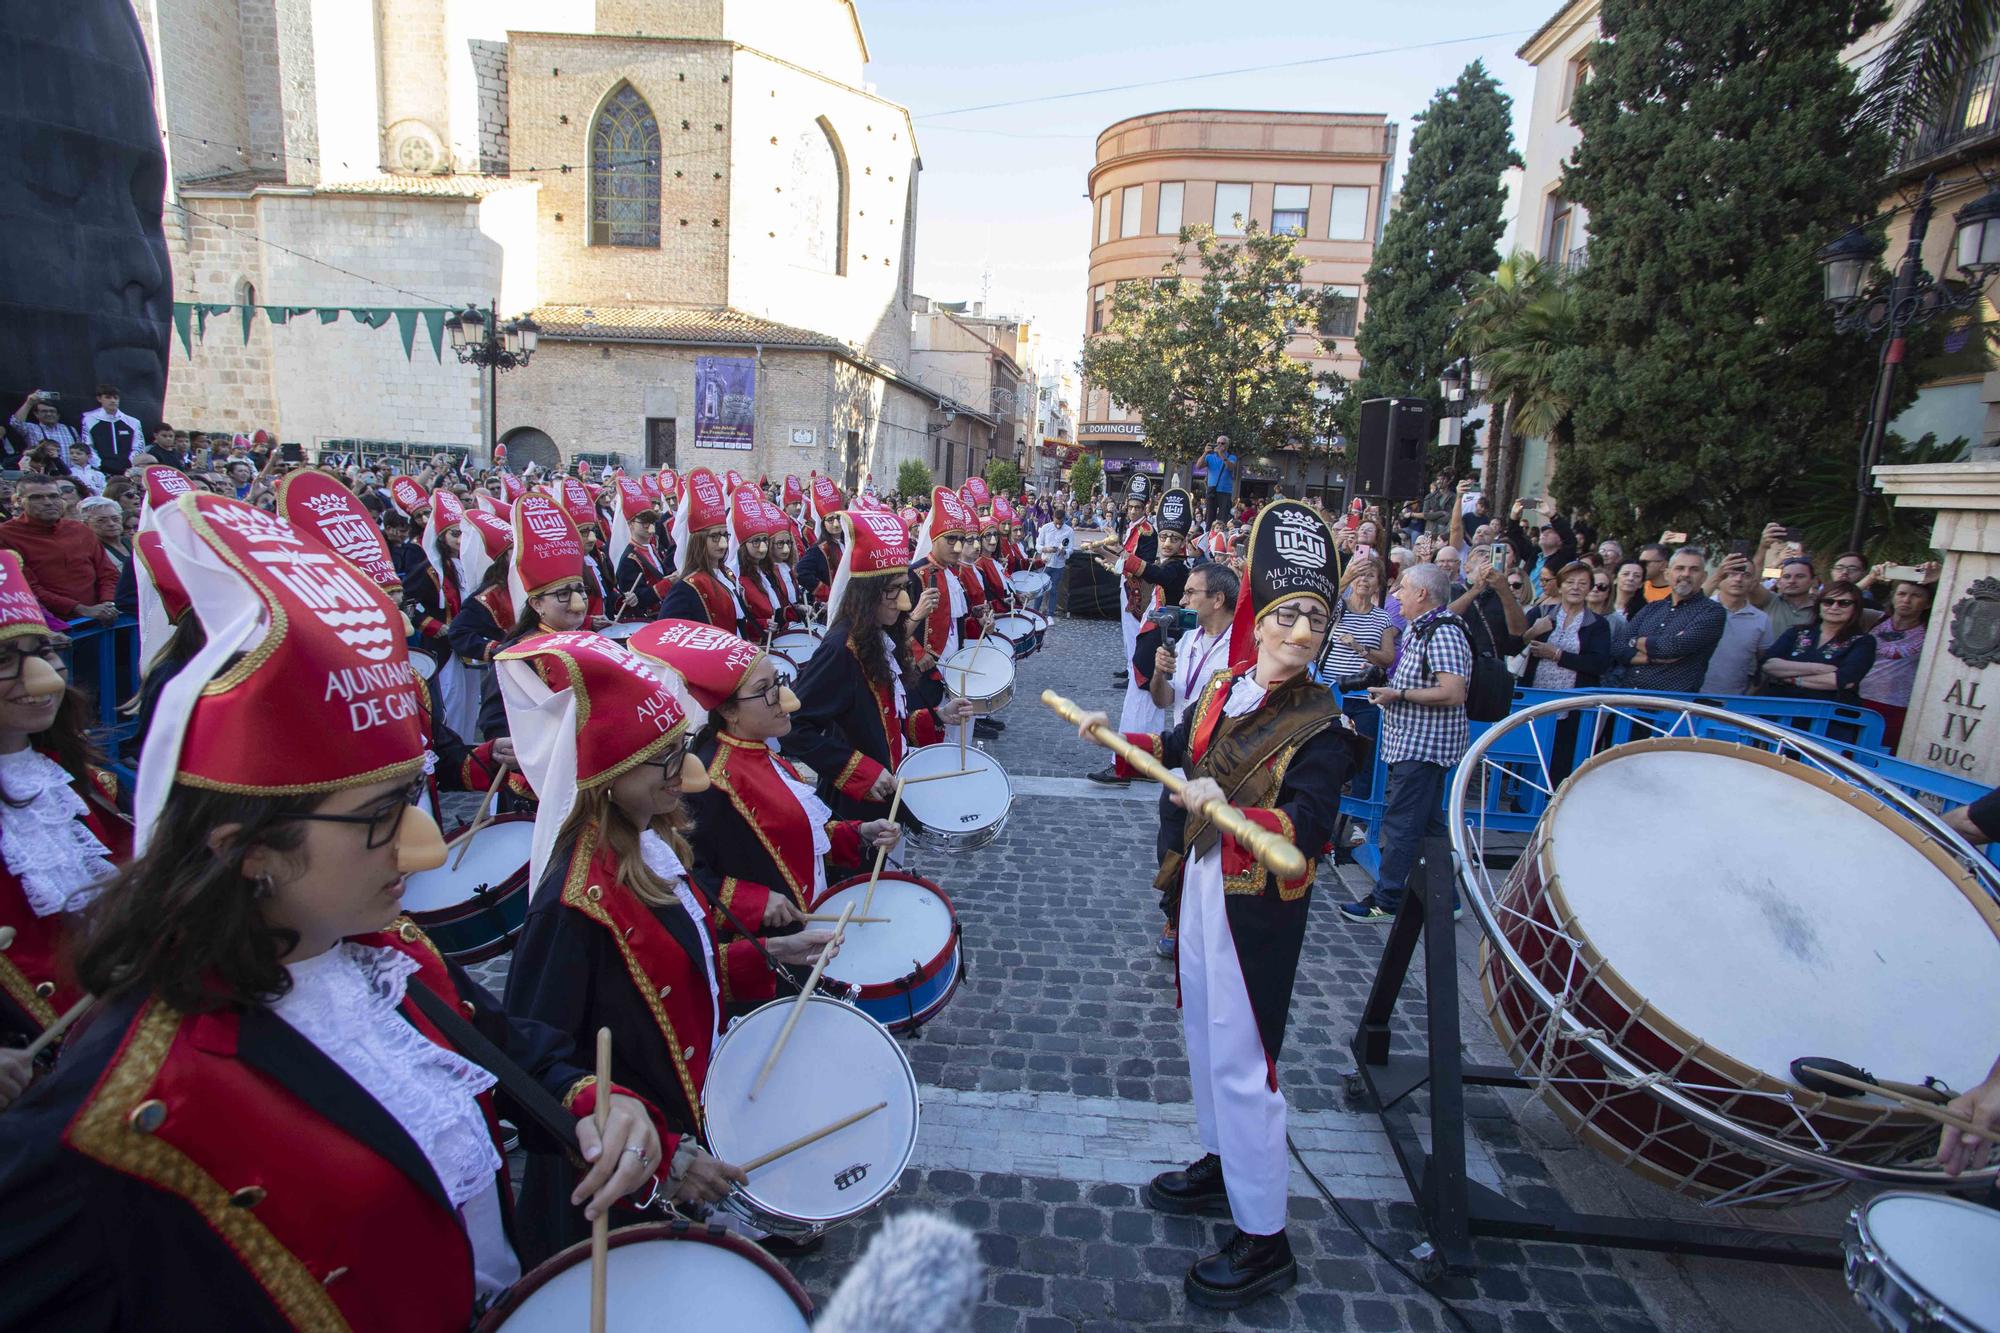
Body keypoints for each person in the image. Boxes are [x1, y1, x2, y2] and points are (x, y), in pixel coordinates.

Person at [0, 492, 663, 1328]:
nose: (424, 848)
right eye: (381, 814)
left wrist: (593, 1097)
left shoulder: (389, 954)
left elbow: (500, 1044)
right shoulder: (113, 1118)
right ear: (250, 849)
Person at [1072, 500, 1351, 1311]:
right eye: (1289, 613)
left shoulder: (1324, 725)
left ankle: (1265, 1235)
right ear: (1260, 617)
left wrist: (1228, 810)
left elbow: (1305, 830)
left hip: (1256, 901)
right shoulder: (1226, 685)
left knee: (1244, 1055)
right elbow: (1183, 749)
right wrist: (1115, 737)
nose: (1300, 632)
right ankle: (1221, 1160)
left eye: (1316, 619)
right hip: (1201, 877)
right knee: (1199, 1027)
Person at [496, 628, 830, 1263]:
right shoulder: (572, 904)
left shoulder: (654, 845)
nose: (689, 771)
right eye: (667, 757)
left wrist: (771, 958)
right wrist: (660, 1152)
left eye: (683, 748)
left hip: (680, 1137)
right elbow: (528, 1071)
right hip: (607, 1203)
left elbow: (669, 983)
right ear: (609, 773)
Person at [635, 620, 900, 917]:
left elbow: (796, 833)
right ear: (728, 710)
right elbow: (686, 871)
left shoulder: (763, 752)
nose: (787, 701)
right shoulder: (709, 778)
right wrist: (755, 902)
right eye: (765, 690)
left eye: (779, 682)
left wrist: (860, 833)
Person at [0, 552, 128, 1111]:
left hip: (113, 1056)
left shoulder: (85, 781)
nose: (43, 676)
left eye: (46, 650)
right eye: (6, 659)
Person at [1341, 563, 1470, 925]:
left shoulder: (1443, 632)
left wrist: (1399, 693)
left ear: (1422, 594)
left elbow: (1452, 691)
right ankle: (1447, 899)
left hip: (1425, 746)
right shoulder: (1419, 629)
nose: (1396, 596)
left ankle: (1388, 897)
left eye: (1403, 589)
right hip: (1412, 742)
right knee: (1428, 824)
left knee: (1402, 823)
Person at [0, 477, 118, 624]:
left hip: (101, 619)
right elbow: (27, 587)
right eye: (37, 497)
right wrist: (80, 609)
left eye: (54, 496)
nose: (48, 502)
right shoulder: (6, 535)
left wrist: (107, 602)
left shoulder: (79, 529)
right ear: (18, 501)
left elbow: (107, 572)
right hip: (48, 626)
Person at [1621, 548, 1727, 692]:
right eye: (1680, 568)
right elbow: (1618, 646)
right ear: (1667, 574)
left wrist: (1634, 642)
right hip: (1626, 700)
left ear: (1704, 576)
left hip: (1670, 706)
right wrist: (1650, 656)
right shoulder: (1652, 607)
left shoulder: (1711, 611)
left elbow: (1675, 647)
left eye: (1694, 569)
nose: (1686, 574)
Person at [1758, 579, 1876, 705]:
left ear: (1855, 608)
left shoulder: (1863, 641)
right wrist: (1818, 669)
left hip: (1828, 716)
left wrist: (1791, 678)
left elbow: (1843, 681)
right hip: (1780, 708)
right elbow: (1768, 664)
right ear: (1819, 605)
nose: (1834, 607)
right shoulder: (1797, 632)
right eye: (1828, 602)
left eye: (1844, 603)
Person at [659, 467, 741, 631]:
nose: (724, 543)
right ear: (698, 541)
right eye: (715, 536)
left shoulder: (727, 575)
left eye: (725, 535)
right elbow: (666, 633)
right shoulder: (686, 588)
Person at [1858, 577, 1934, 747]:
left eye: (1916, 596)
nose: (1906, 600)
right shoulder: (1873, 619)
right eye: (1901, 594)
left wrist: (1938, 576)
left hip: (1898, 707)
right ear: (1893, 597)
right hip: (1858, 700)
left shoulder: (1933, 631)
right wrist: (1871, 577)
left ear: (1928, 604)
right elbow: (1841, 598)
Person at [1696, 550, 1771, 695]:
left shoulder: (1761, 619)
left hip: (1734, 700)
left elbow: (1765, 662)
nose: (1738, 579)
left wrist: (1752, 691)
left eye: (1746, 575)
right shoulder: (1700, 609)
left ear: (1753, 582)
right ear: (1720, 577)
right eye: (1732, 573)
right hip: (1691, 696)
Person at [1035, 504, 1075, 618]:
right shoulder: (1045, 528)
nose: (1058, 525)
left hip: (1059, 564)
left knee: (1053, 589)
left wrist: (1065, 552)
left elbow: (1071, 548)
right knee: (1040, 588)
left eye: (1061, 523)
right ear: (1053, 518)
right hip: (1045, 562)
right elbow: (1038, 544)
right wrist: (1045, 549)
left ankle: (1050, 614)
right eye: (1056, 522)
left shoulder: (1069, 531)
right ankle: (1035, 612)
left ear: (1064, 520)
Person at [78, 498, 129, 575]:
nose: (111, 523)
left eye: (115, 518)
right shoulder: (89, 552)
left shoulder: (133, 542)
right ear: (85, 524)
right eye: (101, 520)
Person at [1198, 435, 1238, 524]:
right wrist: (1205, 453)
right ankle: (1209, 534)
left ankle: (1221, 535)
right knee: (1209, 517)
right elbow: (1198, 466)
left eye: (1222, 443)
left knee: (1223, 517)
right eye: (1218, 443)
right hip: (1212, 490)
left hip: (1225, 491)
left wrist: (1221, 454)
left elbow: (1230, 467)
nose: (1219, 445)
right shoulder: (1210, 457)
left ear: (1227, 445)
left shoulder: (1232, 457)